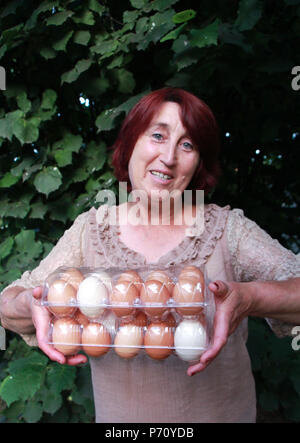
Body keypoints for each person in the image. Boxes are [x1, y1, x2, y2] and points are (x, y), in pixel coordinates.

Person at [0, 87, 300, 423]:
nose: (169, 157)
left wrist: (251, 297)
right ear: (130, 143)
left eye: (188, 145)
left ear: (199, 161)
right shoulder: (92, 230)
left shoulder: (226, 230)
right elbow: (8, 303)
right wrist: (30, 304)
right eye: (158, 135)